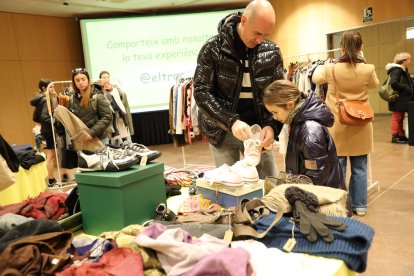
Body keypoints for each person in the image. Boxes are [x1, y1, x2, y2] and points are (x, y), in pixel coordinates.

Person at [193, 0, 284, 179]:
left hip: (260, 133)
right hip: (222, 132)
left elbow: (280, 96)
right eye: (257, 33)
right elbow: (201, 92)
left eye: (265, 35)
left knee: (269, 186)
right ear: (243, 20)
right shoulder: (213, 48)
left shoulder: (272, 52)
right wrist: (231, 122)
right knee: (230, 188)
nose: (260, 40)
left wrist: (272, 127)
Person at [312, 31, 379, 216]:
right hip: (361, 124)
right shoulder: (368, 69)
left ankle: (339, 205)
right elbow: (375, 84)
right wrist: (362, 61)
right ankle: (360, 206)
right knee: (360, 167)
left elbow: (315, 78)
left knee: (338, 167)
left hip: (338, 125)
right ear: (361, 48)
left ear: (341, 47)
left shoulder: (331, 69)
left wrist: (327, 63)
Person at [263, 79, 345, 190]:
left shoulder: (309, 131)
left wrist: (292, 193)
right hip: (311, 196)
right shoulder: (298, 122)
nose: (275, 117)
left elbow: (317, 176)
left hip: (321, 200)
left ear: (290, 105)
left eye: (275, 112)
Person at [69, 68, 112, 145]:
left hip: (99, 140)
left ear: (88, 80)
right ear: (74, 82)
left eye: (83, 79)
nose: (81, 82)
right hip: (81, 141)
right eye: (77, 80)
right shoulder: (72, 99)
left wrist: (91, 133)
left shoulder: (97, 96)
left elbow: (107, 117)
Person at [30, 79, 58, 187]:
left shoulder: (41, 98)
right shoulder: (45, 99)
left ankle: (51, 179)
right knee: (51, 156)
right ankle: (51, 180)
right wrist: (55, 121)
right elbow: (45, 117)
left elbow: (38, 117)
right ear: (44, 88)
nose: (53, 89)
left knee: (51, 155)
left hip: (46, 129)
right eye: (51, 87)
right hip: (49, 129)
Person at [98, 70, 134, 144]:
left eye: (108, 77)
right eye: (104, 78)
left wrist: (112, 91)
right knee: (112, 137)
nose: (106, 79)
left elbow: (123, 97)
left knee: (123, 135)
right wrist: (103, 91)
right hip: (107, 118)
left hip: (119, 116)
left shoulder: (115, 88)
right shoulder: (97, 90)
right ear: (100, 79)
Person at [385, 52, 414, 143]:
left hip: (401, 99)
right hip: (398, 99)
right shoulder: (397, 70)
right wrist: (406, 88)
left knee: (400, 117)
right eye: (408, 59)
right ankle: (395, 136)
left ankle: (401, 135)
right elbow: (393, 83)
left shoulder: (402, 70)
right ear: (403, 60)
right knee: (397, 117)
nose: (409, 61)